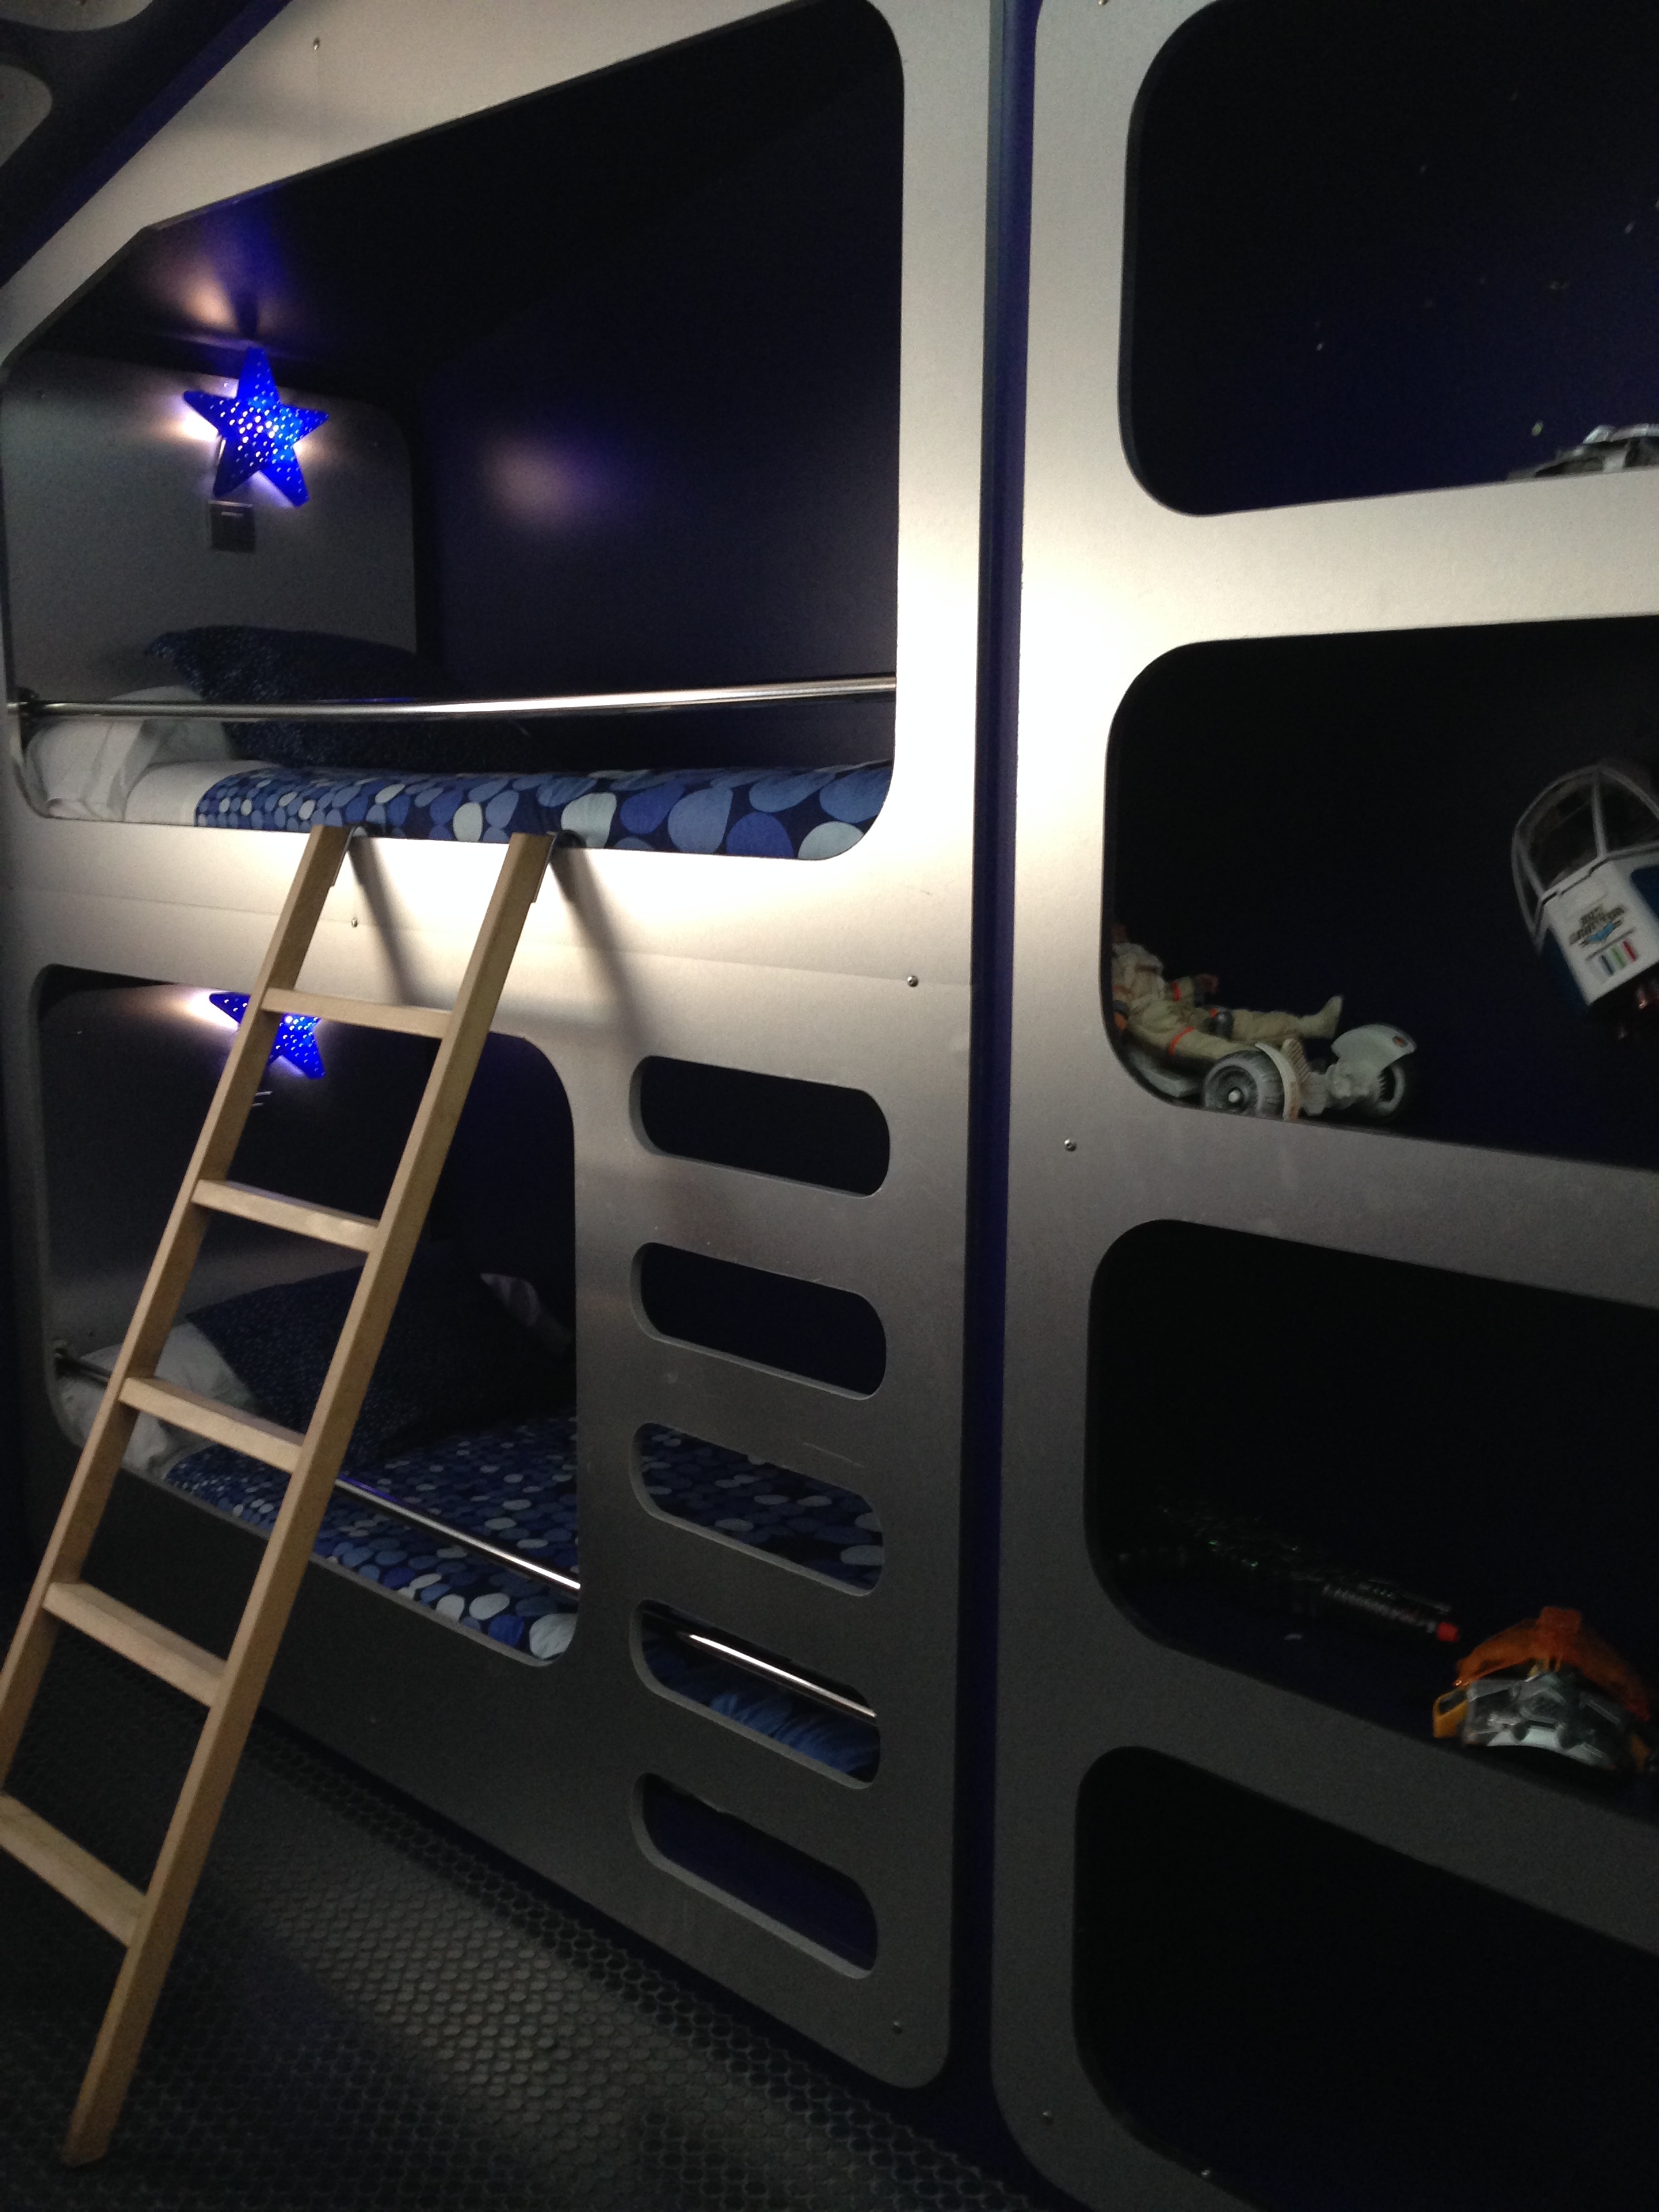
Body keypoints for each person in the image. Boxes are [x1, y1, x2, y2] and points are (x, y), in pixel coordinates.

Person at [1111, 923, 1342, 1068]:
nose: (1122, 930)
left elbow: (1164, 991)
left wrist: (1195, 985)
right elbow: (1116, 995)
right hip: (1148, 1019)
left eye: (1121, 927)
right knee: (1198, 1044)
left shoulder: (1135, 956)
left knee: (1230, 1020)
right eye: (1115, 928)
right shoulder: (1111, 963)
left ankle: (1309, 1026)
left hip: (1169, 1008)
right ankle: (1257, 1063)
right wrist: (1117, 1015)